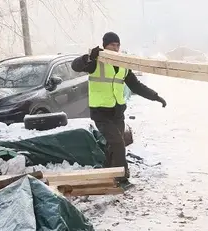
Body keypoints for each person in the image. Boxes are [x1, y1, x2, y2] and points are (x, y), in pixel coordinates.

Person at [71, 32, 167, 187]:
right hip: (100, 111)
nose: (115, 48)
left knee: (113, 144)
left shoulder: (123, 64)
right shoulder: (96, 61)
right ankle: (122, 178)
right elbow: (75, 66)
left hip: (117, 112)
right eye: (112, 45)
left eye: (117, 45)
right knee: (118, 143)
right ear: (105, 46)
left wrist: (155, 96)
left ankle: (108, 172)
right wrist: (88, 58)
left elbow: (136, 86)